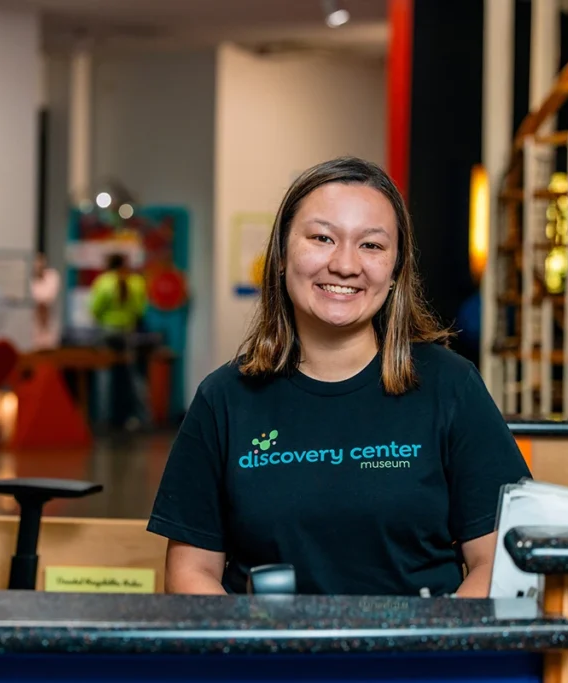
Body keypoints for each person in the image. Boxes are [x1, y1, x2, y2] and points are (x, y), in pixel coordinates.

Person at [147, 157, 530, 597]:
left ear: (395, 270)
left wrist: (427, 654)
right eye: (322, 238)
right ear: (281, 255)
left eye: (371, 245)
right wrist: (262, 659)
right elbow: (189, 574)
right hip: (267, 662)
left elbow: (498, 559)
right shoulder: (224, 398)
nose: (346, 265)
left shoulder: (451, 386)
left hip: (418, 661)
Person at [90, 252, 148, 430]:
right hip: (128, 333)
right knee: (133, 376)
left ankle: (103, 419)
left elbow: (95, 309)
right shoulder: (137, 282)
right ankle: (141, 417)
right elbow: (141, 311)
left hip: (107, 332)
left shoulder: (103, 282)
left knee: (104, 377)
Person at [30, 251, 61, 351]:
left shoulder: (52, 276)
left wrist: (42, 300)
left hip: (49, 318)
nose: (39, 264)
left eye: (40, 260)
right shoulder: (31, 279)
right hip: (36, 319)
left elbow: (49, 297)